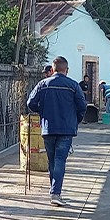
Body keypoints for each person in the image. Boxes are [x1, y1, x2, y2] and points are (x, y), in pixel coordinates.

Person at [26, 56, 87, 207]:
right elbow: (82, 106)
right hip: (66, 129)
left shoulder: (42, 84)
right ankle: (56, 193)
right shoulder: (73, 85)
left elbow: (30, 103)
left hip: (48, 128)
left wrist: (43, 111)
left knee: (52, 160)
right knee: (60, 160)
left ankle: (54, 191)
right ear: (66, 70)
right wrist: (75, 120)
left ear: (52, 69)